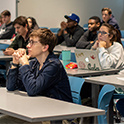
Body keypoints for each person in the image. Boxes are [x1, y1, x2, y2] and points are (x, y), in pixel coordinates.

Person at [6, 28, 72, 124]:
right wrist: (15, 63)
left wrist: (24, 64)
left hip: (57, 116)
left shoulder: (54, 65)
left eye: (32, 42)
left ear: (44, 48)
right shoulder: (34, 63)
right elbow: (11, 87)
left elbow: (32, 90)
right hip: (38, 111)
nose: (28, 46)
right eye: (29, 42)